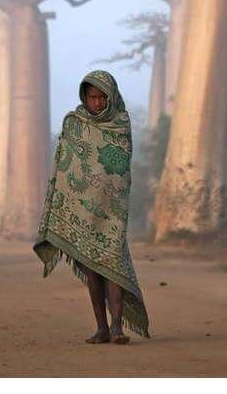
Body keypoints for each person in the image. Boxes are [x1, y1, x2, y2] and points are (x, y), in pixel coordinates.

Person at [33, 70, 150, 344]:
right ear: (84, 97)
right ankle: (102, 328)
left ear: (111, 98)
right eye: (92, 97)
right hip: (82, 210)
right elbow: (64, 167)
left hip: (112, 211)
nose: (96, 103)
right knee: (93, 272)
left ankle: (118, 326)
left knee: (114, 266)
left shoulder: (120, 123)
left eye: (101, 97)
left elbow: (120, 167)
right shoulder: (74, 124)